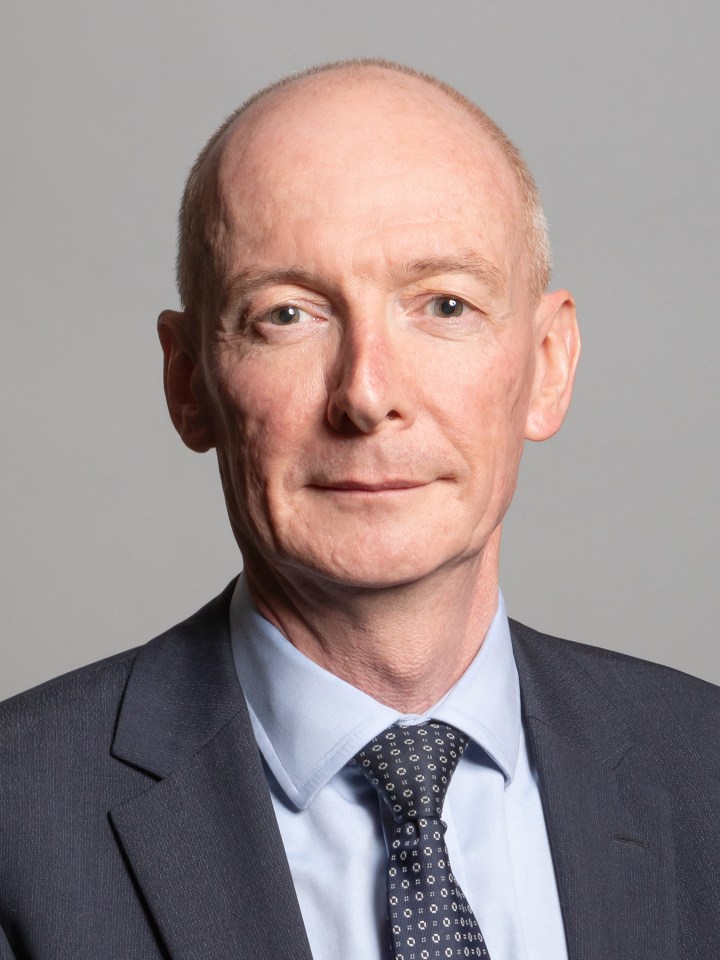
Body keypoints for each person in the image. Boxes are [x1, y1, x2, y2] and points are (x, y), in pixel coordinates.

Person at [1, 59, 718, 960]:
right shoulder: (19, 822)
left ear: (549, 363)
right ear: (190, 383)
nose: (367, 394)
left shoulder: (706, 773)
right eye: (288, 315)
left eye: (445, 305)